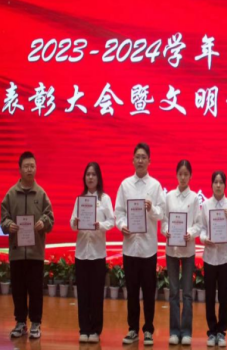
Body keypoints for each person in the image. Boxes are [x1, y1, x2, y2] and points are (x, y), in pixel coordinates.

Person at [115, 142, 165, 346]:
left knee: (149, 291)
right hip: (130, 247)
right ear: (132, 160)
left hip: (148, 248)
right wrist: (122, 225)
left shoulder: (155, 186)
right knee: (132, 291)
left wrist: (152, 208)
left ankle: (149, 329)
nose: (141, 160)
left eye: (144, 157)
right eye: (138, 157)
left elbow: (162, 213)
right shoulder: (125, 185)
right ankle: (133, 329)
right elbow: (119, 212)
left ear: (149, 161)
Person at [0, 151, 55, 340]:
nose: (29, 169)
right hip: (17, 253)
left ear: (36, 168)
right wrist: (9, 225)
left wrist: (43, 222)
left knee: (35, 290)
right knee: (18, 289)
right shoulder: (10, 194)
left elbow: (50, 218)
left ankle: (36, 323)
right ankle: (20, 322)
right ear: (20, 169)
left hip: (35, 253)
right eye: (26, 166)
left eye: (32, 166)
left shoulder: (41, 194)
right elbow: (3, 219)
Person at [70, 162, 115, 343]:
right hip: (82, 253)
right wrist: (76, 222)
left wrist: (99, 226)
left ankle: (95, 330)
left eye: (93, 174)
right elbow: (72, 223)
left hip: (97, 253)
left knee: (96, 293)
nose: (90, 177)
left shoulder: (105, 199)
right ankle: (84, 329)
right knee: (83, 293)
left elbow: (112, 221)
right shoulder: (80, 199)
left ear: (98, 178)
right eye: (88, 174)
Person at [161, 160, 202, 345]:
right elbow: (164, 222)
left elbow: (198, 224)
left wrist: (190, 233)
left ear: (191, 176)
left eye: (186, 174)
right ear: (176, 175)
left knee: (187, 293)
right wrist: (166, 231)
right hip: (172, 250)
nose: (183, 177)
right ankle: (173, 331)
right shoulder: (169, 196)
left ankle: (186, 332)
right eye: (180, 174)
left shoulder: (194, 198)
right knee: (173, 293)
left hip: (188, 250)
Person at [200, 170, 227, 347]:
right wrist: (204, 239)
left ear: (225, 185)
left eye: (221, 182)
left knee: (223, 295)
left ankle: (222, 331)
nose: (218, 185)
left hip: (223, 256)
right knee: (209, 296)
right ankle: (211, 330)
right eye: (215, 182)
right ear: (211, 184)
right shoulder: (205, 205)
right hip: (209, 256)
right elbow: (201, 228)